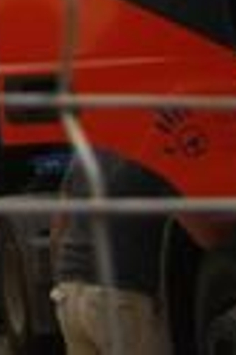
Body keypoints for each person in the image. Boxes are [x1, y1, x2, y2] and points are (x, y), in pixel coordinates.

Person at [49, 152, 170, 355]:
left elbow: (58, 228)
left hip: (69, 293)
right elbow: (203, 233)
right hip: (120, 296)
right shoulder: (155, 154)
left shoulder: (86, 153)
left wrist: (61, 280)